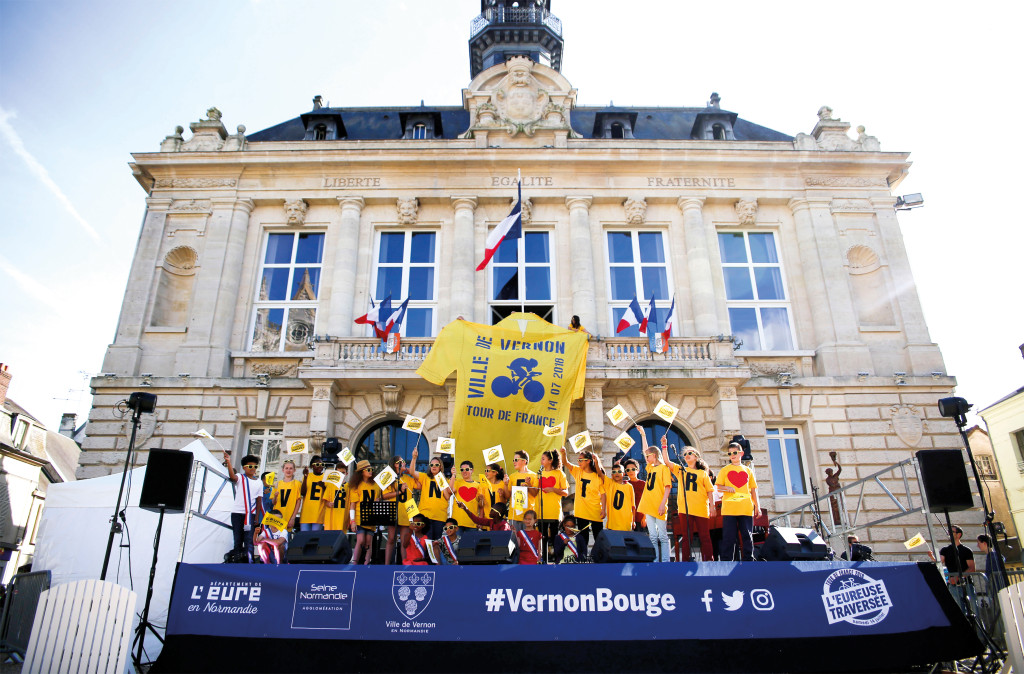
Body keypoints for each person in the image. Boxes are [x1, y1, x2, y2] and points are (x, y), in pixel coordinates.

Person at [662, 444, 715, 561]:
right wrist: (664, 446)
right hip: (685, 509)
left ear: (696, 457)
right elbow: (666, 461)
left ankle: (709, 560)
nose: (686, 455)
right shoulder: (681, 470)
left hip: (701, 508)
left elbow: (710, 491)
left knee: (705, 536)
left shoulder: (703, 473)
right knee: (686, 537)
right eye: (685, 454)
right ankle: (685, 561)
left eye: (689, 453)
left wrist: (712, 507)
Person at [558, 445, 606, 556]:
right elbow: (566, 463)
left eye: (581, 460)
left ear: (588, 461)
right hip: (582, 510)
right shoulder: (578, 471)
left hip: (595, 510)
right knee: (583, 538)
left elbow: (603, 494)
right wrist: (564, 454)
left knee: (598, 536)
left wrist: (604, 509)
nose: (578, 462)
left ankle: (600, 559)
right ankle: (582, 559)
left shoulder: (597, 476)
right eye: (578, 460)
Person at [717, 441, 760, 562]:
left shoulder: (748, 471)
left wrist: (758, 506)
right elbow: (718, 487)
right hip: (729, 509)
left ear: (741, 453)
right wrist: (727, 488)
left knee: (747, 535)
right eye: (730, 453)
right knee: (729, 537)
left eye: (735, 452)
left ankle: (749, 560)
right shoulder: (724, 470)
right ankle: (727, 561)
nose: (732, 455)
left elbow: (753, 490)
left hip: (745, 508)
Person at [636, 429, 673, 562]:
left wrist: (663, 503)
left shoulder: (663, 468)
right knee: (652, 536)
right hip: (648, 505)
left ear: (655, 455)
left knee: (662, 536)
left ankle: (666, 561)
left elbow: (668, 487)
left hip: (659, 505)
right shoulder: (650, 468)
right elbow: (645, 449)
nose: (646, 458)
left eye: (648, 456)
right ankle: (655, 560)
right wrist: (643, 435)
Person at [223, 451, 262, 561]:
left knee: (249, 539)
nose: (253, 468)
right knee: (238, 538)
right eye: (250, 466)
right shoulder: (241, 477)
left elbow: (259, 500)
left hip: (251, 514)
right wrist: (229, 462)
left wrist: (257, 517)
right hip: (237, 513)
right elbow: (232, 476)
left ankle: (249, 561)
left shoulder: (259, 482)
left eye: (255, 466)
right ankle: (237, 559)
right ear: (244, 467)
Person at [347, 460, 383, 565]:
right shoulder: (356, 486)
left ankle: (366, 564)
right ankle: (354, 562)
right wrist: (352, 521)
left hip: (371, 517)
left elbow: (377, 501)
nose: (370, 471)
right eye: (368, 470)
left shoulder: (376, 485)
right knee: (361, 540)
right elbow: (352, 505)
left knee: (369, 542)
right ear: (361, 472)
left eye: (371, 469)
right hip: (359, 516)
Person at [409, 449, 449, 539]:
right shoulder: (425, 477)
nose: (434, 466)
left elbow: (447, 496)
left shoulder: (443, 479)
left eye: (436, 465)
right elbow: (412, 472)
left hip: (439, 516)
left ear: (440, 466)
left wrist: (443, 481)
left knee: (435, 542)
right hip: (426, 515)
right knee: (427, 541)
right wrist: (414, 458)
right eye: (432, 465)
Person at [538, 450, 568, 563]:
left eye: (543, 459)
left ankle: (557, 561)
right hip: (542, 511)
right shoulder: (539, 474)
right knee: (543, 538)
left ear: (550, 461)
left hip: (554, 511)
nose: (541, 461)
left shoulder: (560, 474)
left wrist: (553, 490)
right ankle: (544, 561)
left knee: (554, 537)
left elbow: (565, 492)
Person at [382, 455, 413, 565]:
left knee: (404, 542)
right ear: (396, 464)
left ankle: (404, 564)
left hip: (405, 512)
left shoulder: (408, 478)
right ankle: (387, 565)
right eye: (402, 461)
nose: (404, 463)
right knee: (391, 538)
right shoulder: (390, 478)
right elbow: (384, 495)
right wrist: (399, 492)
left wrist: (411, 471)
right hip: (393, 511)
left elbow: (419, 485)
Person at [445, 460, 485, 533]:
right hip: (457, 522)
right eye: (462, 470)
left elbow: (481, 505)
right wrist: (453, 475)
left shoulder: (478, 485)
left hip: (472, 523)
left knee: (470, 544)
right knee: (457, 544)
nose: (464, 471)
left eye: (466, 469)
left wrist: (480, 520)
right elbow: (449, 491)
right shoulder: (457, 482)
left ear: (472, 470)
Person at [507, 450, 539, 532]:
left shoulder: (534, 476)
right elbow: (508, 495)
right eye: (513, 460)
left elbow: (535, 494)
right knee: (514, 543)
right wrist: (505, 484)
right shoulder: (512, 476)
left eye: (516, 460)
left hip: (528, 516)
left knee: (527, 541)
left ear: (524, 461)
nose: (514, 462)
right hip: (514, 515)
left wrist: (528, 485)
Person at [297, 455, 327, 531]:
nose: (320, 467)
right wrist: (305, 477)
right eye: (317, 464)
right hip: (306, 513)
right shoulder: (307, 476)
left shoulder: (325, 477)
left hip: (318, 513)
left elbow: (329, 495)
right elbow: (303, 493)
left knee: (314, 539)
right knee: (304, 537)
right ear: (312, 466)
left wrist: (324, 487)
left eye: (322, 465)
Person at [604, 463, 635, 532]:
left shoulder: (629, 486)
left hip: (626, 523)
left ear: (624, 474)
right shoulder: (610, 484)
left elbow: (633, 506)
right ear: (612, 475)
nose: (617, 473)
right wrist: (596, 461)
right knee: (614, 542)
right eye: (614, 472)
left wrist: (633, 521)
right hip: (613, 524)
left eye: (619, 471)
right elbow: (601, 474)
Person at [271, 460, 301, 530]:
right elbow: (273, 502)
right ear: (283, 470)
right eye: (286, 468)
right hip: (277, 516)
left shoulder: (297, 484)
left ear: (294, 470)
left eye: (291, 468)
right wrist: (275, 496)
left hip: (289, 515)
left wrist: (293, 518)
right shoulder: (277, 483)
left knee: (286, 537)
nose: (288, 470)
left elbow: (298, 502)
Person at [321, 463, 349, 533]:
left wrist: (350, 519)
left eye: (343, 473)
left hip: (343, 517)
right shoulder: (330, 485)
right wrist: (328, 503)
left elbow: (350, 504)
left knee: (340, 540)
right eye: (339, 473)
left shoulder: (349, 487)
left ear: (346, 474)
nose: (341, 475)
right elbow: (325, 500)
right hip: (331, 518)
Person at [623, 458, 647, 531]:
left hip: (640, 518)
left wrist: (645, 517)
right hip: (627, 518)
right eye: (628, 470)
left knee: (640, 540)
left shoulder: (644, 484)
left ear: (638, 470)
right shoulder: (624, 484)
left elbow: (647, 501)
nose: (631, 472)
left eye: (633, 469)